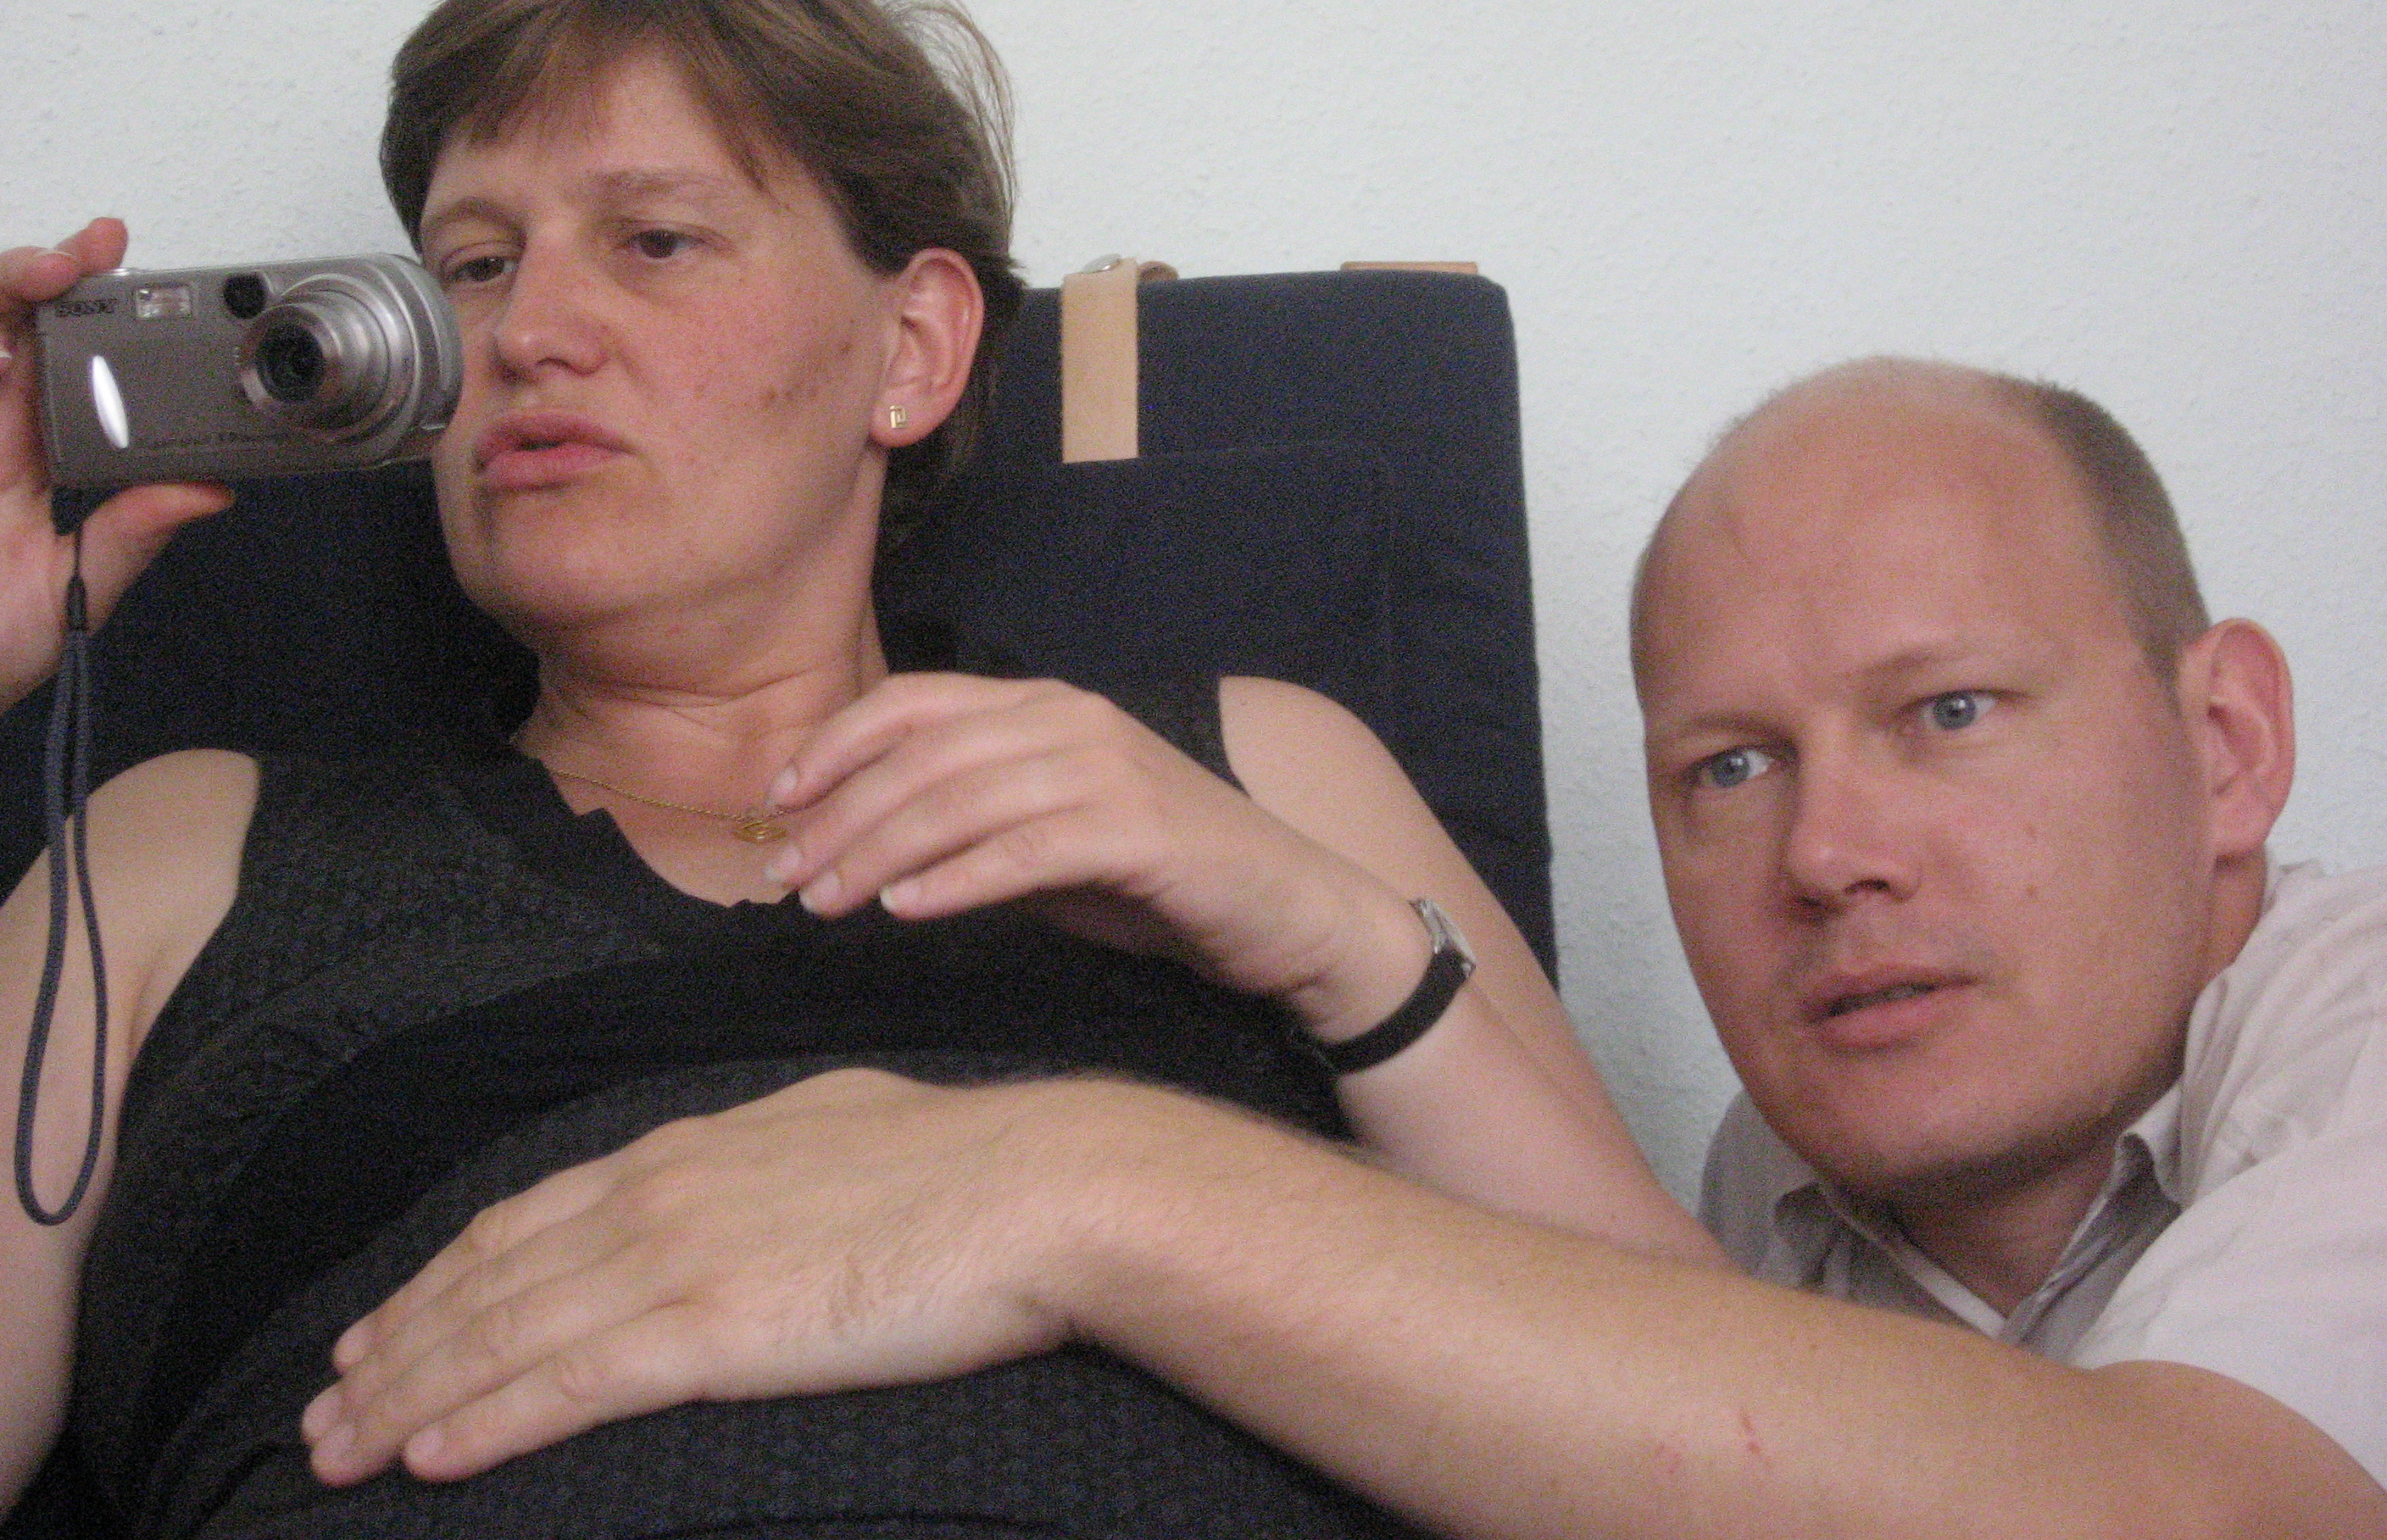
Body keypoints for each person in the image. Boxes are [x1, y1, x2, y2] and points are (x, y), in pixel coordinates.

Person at [0, 0, 1704, 1537]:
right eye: (475, 263)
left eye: (654, 241)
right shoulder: (181, 853)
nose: (526, 333)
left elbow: (1724, 1439)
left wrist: (1344, 949)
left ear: (912, 346)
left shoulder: (1252, 772)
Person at [299, 359, 2385, 1537]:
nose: (1826, 856)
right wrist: (1341, 953)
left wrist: (1057, 1180)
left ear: (2226, 745)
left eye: (1950, 713)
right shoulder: (1787, 1201)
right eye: (1728, 768)